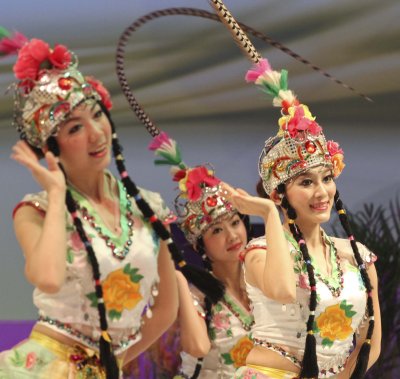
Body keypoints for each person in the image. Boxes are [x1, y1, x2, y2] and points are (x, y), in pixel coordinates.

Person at [206, 1, 381, 378]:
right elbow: (284, 291)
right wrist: (269, 215)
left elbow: (370, 341)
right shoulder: (260, 252)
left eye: (325, 178)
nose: (322, 192)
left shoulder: (357, 257)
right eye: (305, 182)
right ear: (279, 193)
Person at [0, 33, 188, 378]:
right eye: (75, 128)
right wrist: (58, 195)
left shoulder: (148, 206)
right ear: (51, 148)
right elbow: (48, 278)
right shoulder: (36, 210)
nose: (96, 133)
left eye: (97, 115)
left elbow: (166, 308)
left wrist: (108, 363)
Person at [147, 133, 256, 378]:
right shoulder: (198, 296)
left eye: (235, 223)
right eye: (217, 230)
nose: (232, 236)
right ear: (199, 246)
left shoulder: (263, 281)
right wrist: (179, 280)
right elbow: (197, 347)